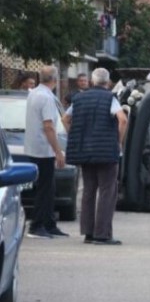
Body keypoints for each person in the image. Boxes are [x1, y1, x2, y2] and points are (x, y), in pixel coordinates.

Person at [62, 68, 128, 245]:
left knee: (89, 191)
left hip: (85, 151)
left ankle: (88, 233)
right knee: (107, 191)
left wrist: (74, 135)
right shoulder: (110, 98)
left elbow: (65, 119)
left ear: (91, 81)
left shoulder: (79, 98)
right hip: (107, 152)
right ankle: (102, 234)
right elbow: (122, 119)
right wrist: (118, 141)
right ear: (107, 83)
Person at [24, 66, 68, 238]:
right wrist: (58, 151)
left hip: (33, 147)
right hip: (44, 149)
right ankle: (37, 225)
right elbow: (48, 126)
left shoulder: (34, 93)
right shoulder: (47, 98)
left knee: (48, 188)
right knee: (45, 189)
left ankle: (49, 224)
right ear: (54, 80)